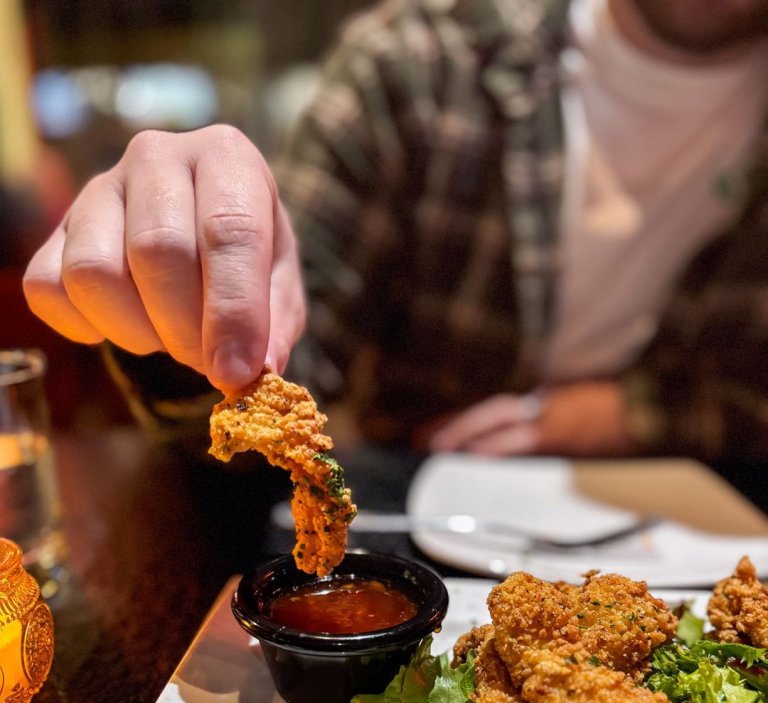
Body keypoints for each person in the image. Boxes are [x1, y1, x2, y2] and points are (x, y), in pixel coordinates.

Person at [22, 0, 768, 462]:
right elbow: (287, 367)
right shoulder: (416, 66)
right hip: (421, 531)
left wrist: (627, 414)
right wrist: (189, 296)